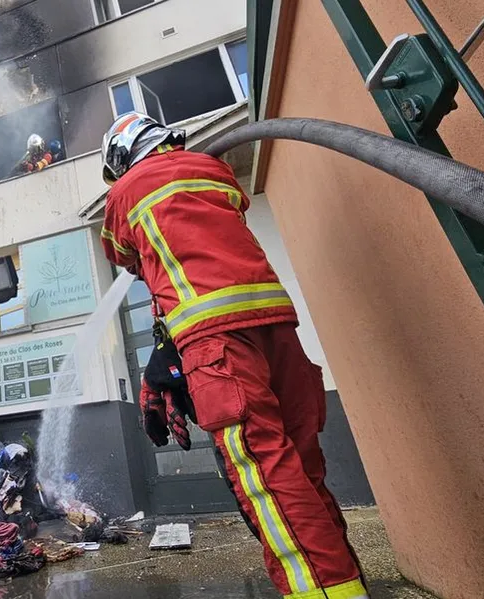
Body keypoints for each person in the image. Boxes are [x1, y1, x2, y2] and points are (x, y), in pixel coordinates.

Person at [99, 112, 368, 599]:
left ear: (120, 160)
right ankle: (346, 582)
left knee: (265, 473)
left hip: (215, 342)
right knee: (302, 469)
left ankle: (320, 592)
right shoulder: (212, 169)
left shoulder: (122, 194)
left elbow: (121, 253)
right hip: (277, 327)